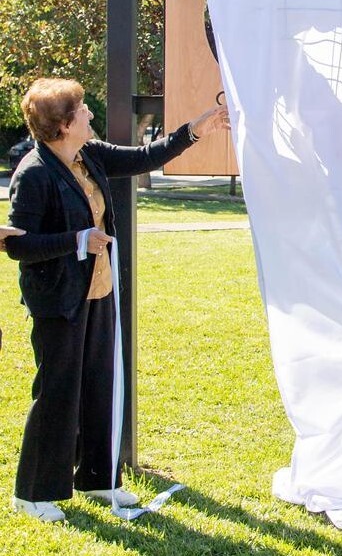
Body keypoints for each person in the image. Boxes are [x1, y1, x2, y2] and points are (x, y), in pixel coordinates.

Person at [5, 78, 228, 523]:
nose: (90, 114)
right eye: (82, 109)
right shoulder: (33, 174)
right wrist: (77, 240)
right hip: (58, 300)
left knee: (99, 384)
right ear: (63, 124)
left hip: (98, 291)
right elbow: (17, 245)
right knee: (57, 393)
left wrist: (194, 130)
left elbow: (144, 158)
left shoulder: (87, 156)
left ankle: (97, 479)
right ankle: (33, 493)